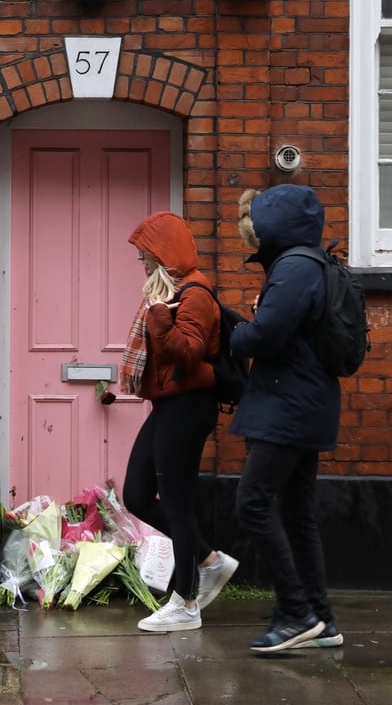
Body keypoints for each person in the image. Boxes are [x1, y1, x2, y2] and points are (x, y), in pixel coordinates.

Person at [230, 184, 343, 654]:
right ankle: (321, 617)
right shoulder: (309, 262)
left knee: (252, 502)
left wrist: (238, 332)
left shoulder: (295, 267)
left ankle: (295, 612)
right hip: (305, 402)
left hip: (288, 405)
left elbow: (266, 337)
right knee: (297, 514)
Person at [120, 210, 239, 633]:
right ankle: (209, 558)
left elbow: (187, 354)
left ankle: (186, 603)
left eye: (144, 253)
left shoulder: (195, 294)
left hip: (189, 408)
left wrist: (158, 318)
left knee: (176, 502)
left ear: (162, 252)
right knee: (135, 494)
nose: (140, 261)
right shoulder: (172, 293)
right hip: (170, 406)